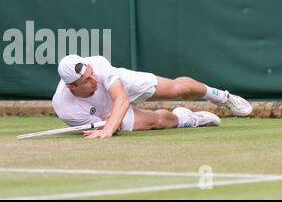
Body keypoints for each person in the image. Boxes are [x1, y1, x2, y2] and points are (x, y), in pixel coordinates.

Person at [52, 54, 253, 138]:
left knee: (176, 89)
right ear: (71, 87)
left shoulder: (99, 67)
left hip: (119, 85)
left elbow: (121, 98)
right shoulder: (65, 109)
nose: (93, 80)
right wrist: (109, 124)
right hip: (105, 109)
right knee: (157, 122)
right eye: (86, 81)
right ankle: (189, 118)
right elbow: (100, 124)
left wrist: (111, 127)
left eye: (91, 74)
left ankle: (222, 97)